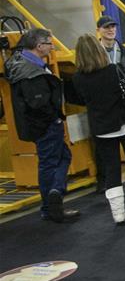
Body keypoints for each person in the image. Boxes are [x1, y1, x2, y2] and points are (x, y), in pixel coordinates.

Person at [72, 34, 125, 225]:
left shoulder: (77, 79)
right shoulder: (113, 70)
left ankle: (119, 215)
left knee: (111, 170)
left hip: (102, 128)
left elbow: (82, 100)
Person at [4, 29, 80, 223]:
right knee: (50, 162)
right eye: (49, 43)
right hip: (45, 125)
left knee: (61, 156)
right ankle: (52, 201)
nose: (52, 46)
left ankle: (53, 197)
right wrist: (54, 119)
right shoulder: (31, 73)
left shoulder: (21, 64)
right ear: (38, 46)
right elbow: (38, 103)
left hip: (38, 125)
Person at [97, 15, 125, 91]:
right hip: (104, 97)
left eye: (113, 26)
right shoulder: (93, 53)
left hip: (124, 97)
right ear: (98, 30)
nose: (111, 30)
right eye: (106, 27)